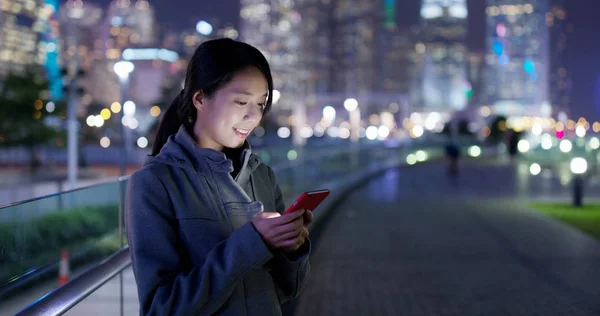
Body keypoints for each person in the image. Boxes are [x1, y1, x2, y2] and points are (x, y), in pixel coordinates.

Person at [125, 38, 312, 316]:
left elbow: (286, 291)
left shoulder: (262, 175)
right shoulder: (155, 182)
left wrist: (292, 248)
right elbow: (160, 308)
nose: (253, 116)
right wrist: (252, 243)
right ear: (199, 98)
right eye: (241, 101)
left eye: (260, 104)